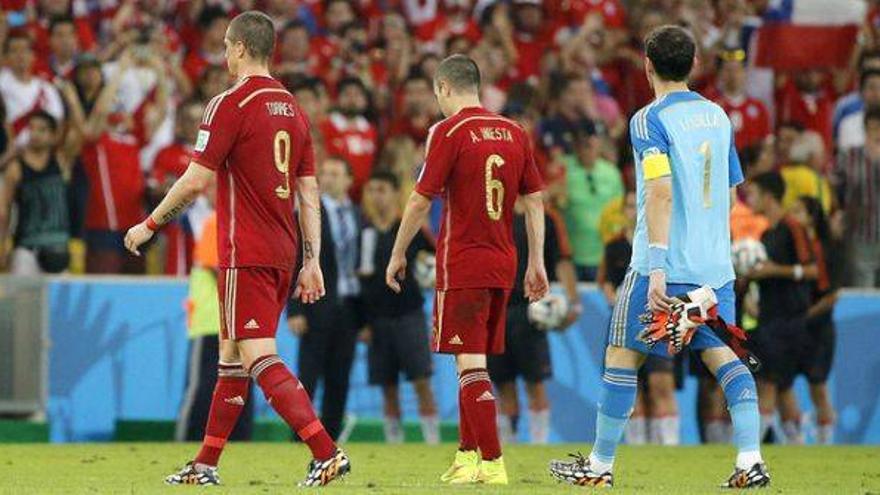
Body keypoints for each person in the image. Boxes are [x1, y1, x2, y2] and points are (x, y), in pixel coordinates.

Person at [123, 11, 349, 487]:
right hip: (282, 251)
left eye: (227, 46)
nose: (224, 54)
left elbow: (196, 180)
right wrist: (311, 259)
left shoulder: (229, 104)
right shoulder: (293, 109)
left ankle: (326, 451)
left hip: (243, 249)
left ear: (243, 48)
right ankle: (205, 464)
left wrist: (149, 224)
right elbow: (309, 193)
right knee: (231, 360)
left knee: (258, 357)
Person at [549, 26, 769, 488]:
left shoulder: (648, 120)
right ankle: (750, 460)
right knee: (726, 360)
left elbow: (661, 193)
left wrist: (658, 269)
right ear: (693, 65)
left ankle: (600, 467)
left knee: (622, 357)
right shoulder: (719, 117)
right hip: (716, 268)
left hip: (662, 265)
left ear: (647, 65)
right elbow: (731, 198)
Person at [385, 54, 548, 485]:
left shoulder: (447, 130)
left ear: (443, 89)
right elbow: (534, 200)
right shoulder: (515, 132)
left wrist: (398, 251)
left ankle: (492, 462)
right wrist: (537, 260)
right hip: (505, 261)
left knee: (469, 363)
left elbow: (421, 199)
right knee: (470, 361)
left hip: (464, 260)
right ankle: (467, 455)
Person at [489, 199, 579, 445]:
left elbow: (562, 259)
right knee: (502, 383)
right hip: (495, 310)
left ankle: (539, 444)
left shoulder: (545, 217)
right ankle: (507, 445)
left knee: (534, 383)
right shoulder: (493, 214)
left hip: (531, 310)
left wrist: (574, 302)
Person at [358, 170, 439, 444]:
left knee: (421, 381)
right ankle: (394, 443)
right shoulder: (365, 233)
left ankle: (432, 440)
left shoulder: (411, 229)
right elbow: (361, 279)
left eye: (381, 189)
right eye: (371, 190)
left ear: (394, 193)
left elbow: (438, 259)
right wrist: (363, 322)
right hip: (377, 320)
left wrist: (432, 273)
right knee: (387, 386)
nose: (375, 196)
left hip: (409, 315)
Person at [288, 157, 363, 441]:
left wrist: (364, 317)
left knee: (340, 377)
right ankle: (301, 437)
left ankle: (330, 440)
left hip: (349, 307)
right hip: (315, 304)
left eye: (335, 173)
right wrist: (294, 308)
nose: (327, 179)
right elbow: (295, 261)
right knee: (308, 375)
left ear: (348, 180)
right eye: (324, 174)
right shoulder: (308, 213)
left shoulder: (358, 215)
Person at [745, 172, 817, 444]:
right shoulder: (766, 233)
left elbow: (811, 270)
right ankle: (796, 441)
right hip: (769, 316)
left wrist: (777, 270)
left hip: (789, 318)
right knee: (783, 384)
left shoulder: (792, 227)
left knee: (767, 381)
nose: (749, 199)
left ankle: (755, 444)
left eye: (753, 193)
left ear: (769, 196)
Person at [175, 202, 254, 444]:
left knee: (240, 387)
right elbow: (215, 269)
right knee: (202, 387)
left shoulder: (246, 226)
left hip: (240, 322)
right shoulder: (216, 222)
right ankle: (187, 441)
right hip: (211, 321)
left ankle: (239, 444)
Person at [784, 195, 840, 444]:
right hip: (791, 325)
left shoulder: (825, 248)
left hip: (817, 327)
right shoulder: (789, 247)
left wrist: (805, 315)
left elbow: (832, 294)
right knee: (782, 384)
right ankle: (795, 440)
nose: (792, 216)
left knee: (818, 386)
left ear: (811, 218)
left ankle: (825, 441)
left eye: (798, 211)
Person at [0, 111, 76, 274]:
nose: (35, 134)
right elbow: (3, 210)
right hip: (26, 249)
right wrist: (3, 245)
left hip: (58, 249)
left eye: (42, 130)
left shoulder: (61, 161)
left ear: (54, 135)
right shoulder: (15, 168)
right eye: (32, 129)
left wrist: (70, 98)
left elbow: (79, 133)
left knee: (59, 299)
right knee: (22, 299)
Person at [835, 107, 880, 288]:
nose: (877, 134)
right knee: (864, 293)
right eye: (873, 129)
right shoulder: (850, 156)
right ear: (865, 129)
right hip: (860, 234)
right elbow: (837, 186)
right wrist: (838, 214)